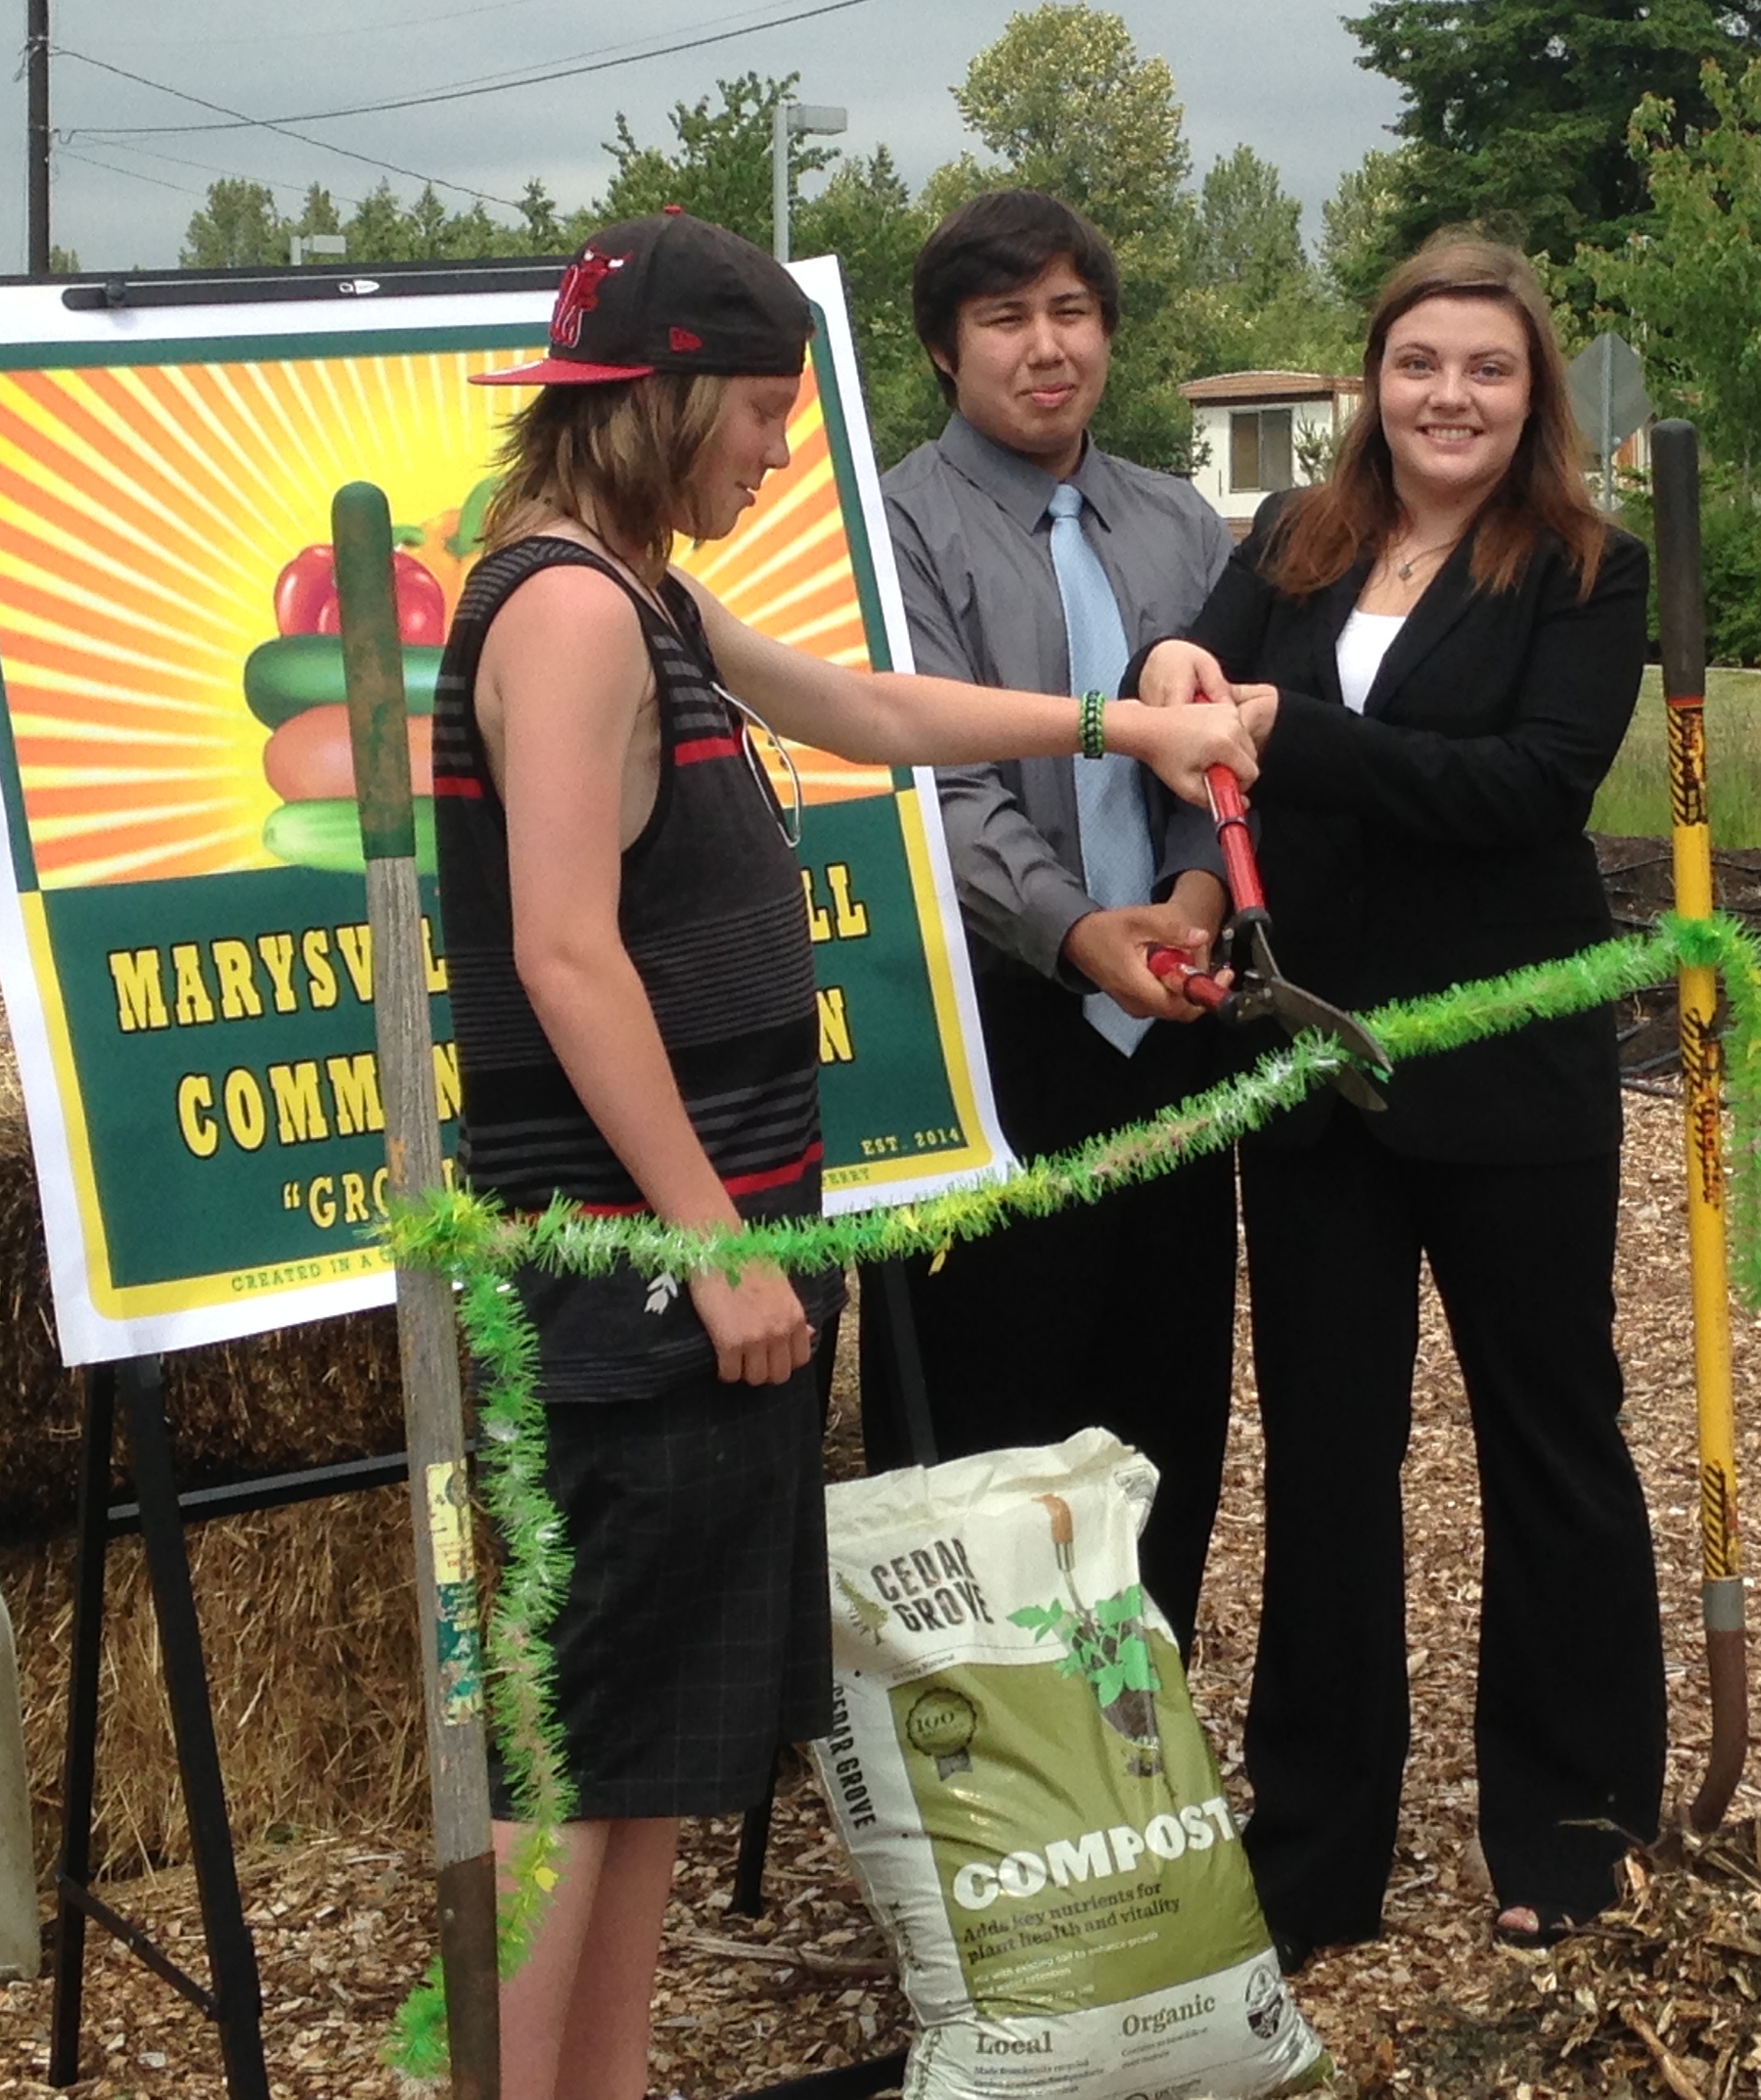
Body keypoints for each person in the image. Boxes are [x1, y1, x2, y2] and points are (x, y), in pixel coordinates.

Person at [436, 207, 1254, 2100]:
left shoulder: (631, 588)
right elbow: (564, 952)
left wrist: (1116, 717)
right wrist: (719, 1246)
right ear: (671, 395)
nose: (780, 453)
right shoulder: (567, 614)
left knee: (648, 1763)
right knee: (604, 1754)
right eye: (762, 414)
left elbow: (874, 711)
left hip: (689, 1247)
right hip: (635, 1273)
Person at [1137, 233, 1660, 1961]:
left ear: (1535, 396)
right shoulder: (1293, 542)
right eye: (1421, 363)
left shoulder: (1588, 569)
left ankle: (1574, 1824)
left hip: (1506, 1066)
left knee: (1550, 1436)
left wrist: (1292, 735)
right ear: (1373, 381)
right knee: (1330, 1455)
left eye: (1488, 370)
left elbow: (1530, 788)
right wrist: (1175, 688)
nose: (1450, 396)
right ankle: (1317, 1845)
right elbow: (1188, 682)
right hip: (1308, 1062)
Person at [872, 190, 1238, 1642]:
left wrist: (1196, 900)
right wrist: (1086, 933)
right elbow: (936, 784)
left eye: (1072, 313)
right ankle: (995, 1784)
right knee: (991, 1408)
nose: (1046, 348)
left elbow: (1222, 758)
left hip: (1176, 1016)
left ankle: (1143, 1750)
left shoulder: (1178, 523)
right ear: (945, 351)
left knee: (1170, 1403)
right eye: (1006, 318)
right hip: (990, 1026)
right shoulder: (897, 524)